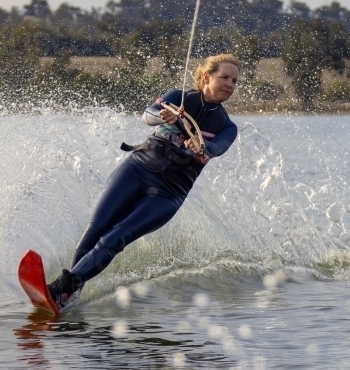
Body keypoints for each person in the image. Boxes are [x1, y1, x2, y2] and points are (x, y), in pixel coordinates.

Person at [47, 54, 241, 309]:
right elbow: (147, 115)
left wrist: (201, 143)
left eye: (235, 81)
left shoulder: (227, 125)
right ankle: (67, 292)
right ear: (207, 77)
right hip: (138, 169)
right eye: (224, 77)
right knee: (96, 229)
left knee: (116, 237)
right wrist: (167, 117)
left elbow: (217, 148)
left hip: (169, 193)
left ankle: (64, 287)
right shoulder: (178, 98)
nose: (230, 84)